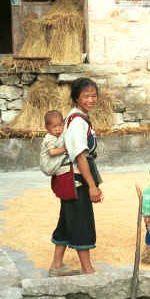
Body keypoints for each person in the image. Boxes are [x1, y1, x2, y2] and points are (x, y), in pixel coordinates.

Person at [49, 78, 103, 276]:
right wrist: (91, 186)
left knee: (67, 220)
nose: (91, 99)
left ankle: (56, 266)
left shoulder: (77, 117)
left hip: (71, 181)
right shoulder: (77, 121)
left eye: (94, 95)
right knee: (82, 221)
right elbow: (80, 155)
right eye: (86, 96)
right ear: (76, 98)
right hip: (77, 181)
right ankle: (87, 269)